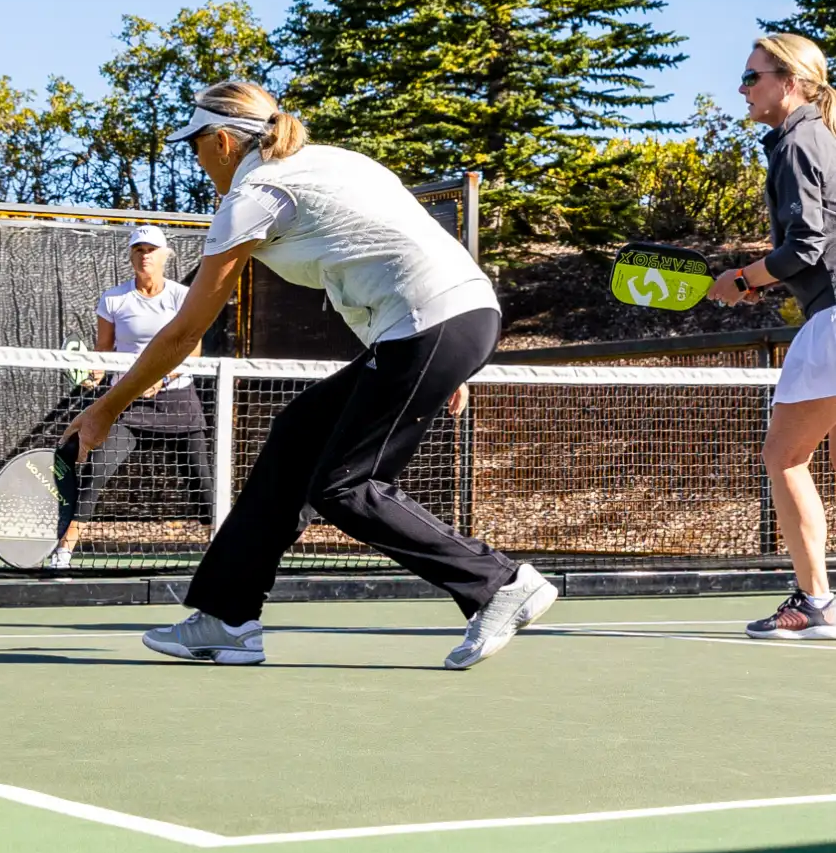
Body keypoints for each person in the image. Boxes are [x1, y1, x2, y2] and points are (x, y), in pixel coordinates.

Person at [64, 82, 556, 670]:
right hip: (452, 317)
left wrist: (103, 410)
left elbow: (183, 333)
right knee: (297, 435)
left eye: (196, 145)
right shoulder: (336, 162)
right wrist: (453, 353)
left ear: (222, 140)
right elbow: (397, 249)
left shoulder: (252, 195)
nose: (196, 159)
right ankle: (227, 617)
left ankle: (499, 583)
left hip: (432, 325)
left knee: (345, 486)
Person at [707, 34, 836, 642]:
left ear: (789, 82)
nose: (742, 87)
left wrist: (742, 279)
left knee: (783, 458)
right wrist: (757, 277)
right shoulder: (814, 138)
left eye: (751, 76)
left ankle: (815, 602)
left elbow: (806, 244)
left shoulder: (797, 140)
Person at [49, 226, 208, 569]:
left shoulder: (183, 296)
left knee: (204, 485)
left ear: (166, 255)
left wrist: (162, 377)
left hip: (178, 400)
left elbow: (192, 352)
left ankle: (229, 556)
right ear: (131, 256)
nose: (145, 255)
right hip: (127, 404)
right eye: (138, 249)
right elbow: (103, 351)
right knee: (96, 473)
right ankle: (63, 553)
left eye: (152, 249)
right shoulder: (114, 299)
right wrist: (95, 373)